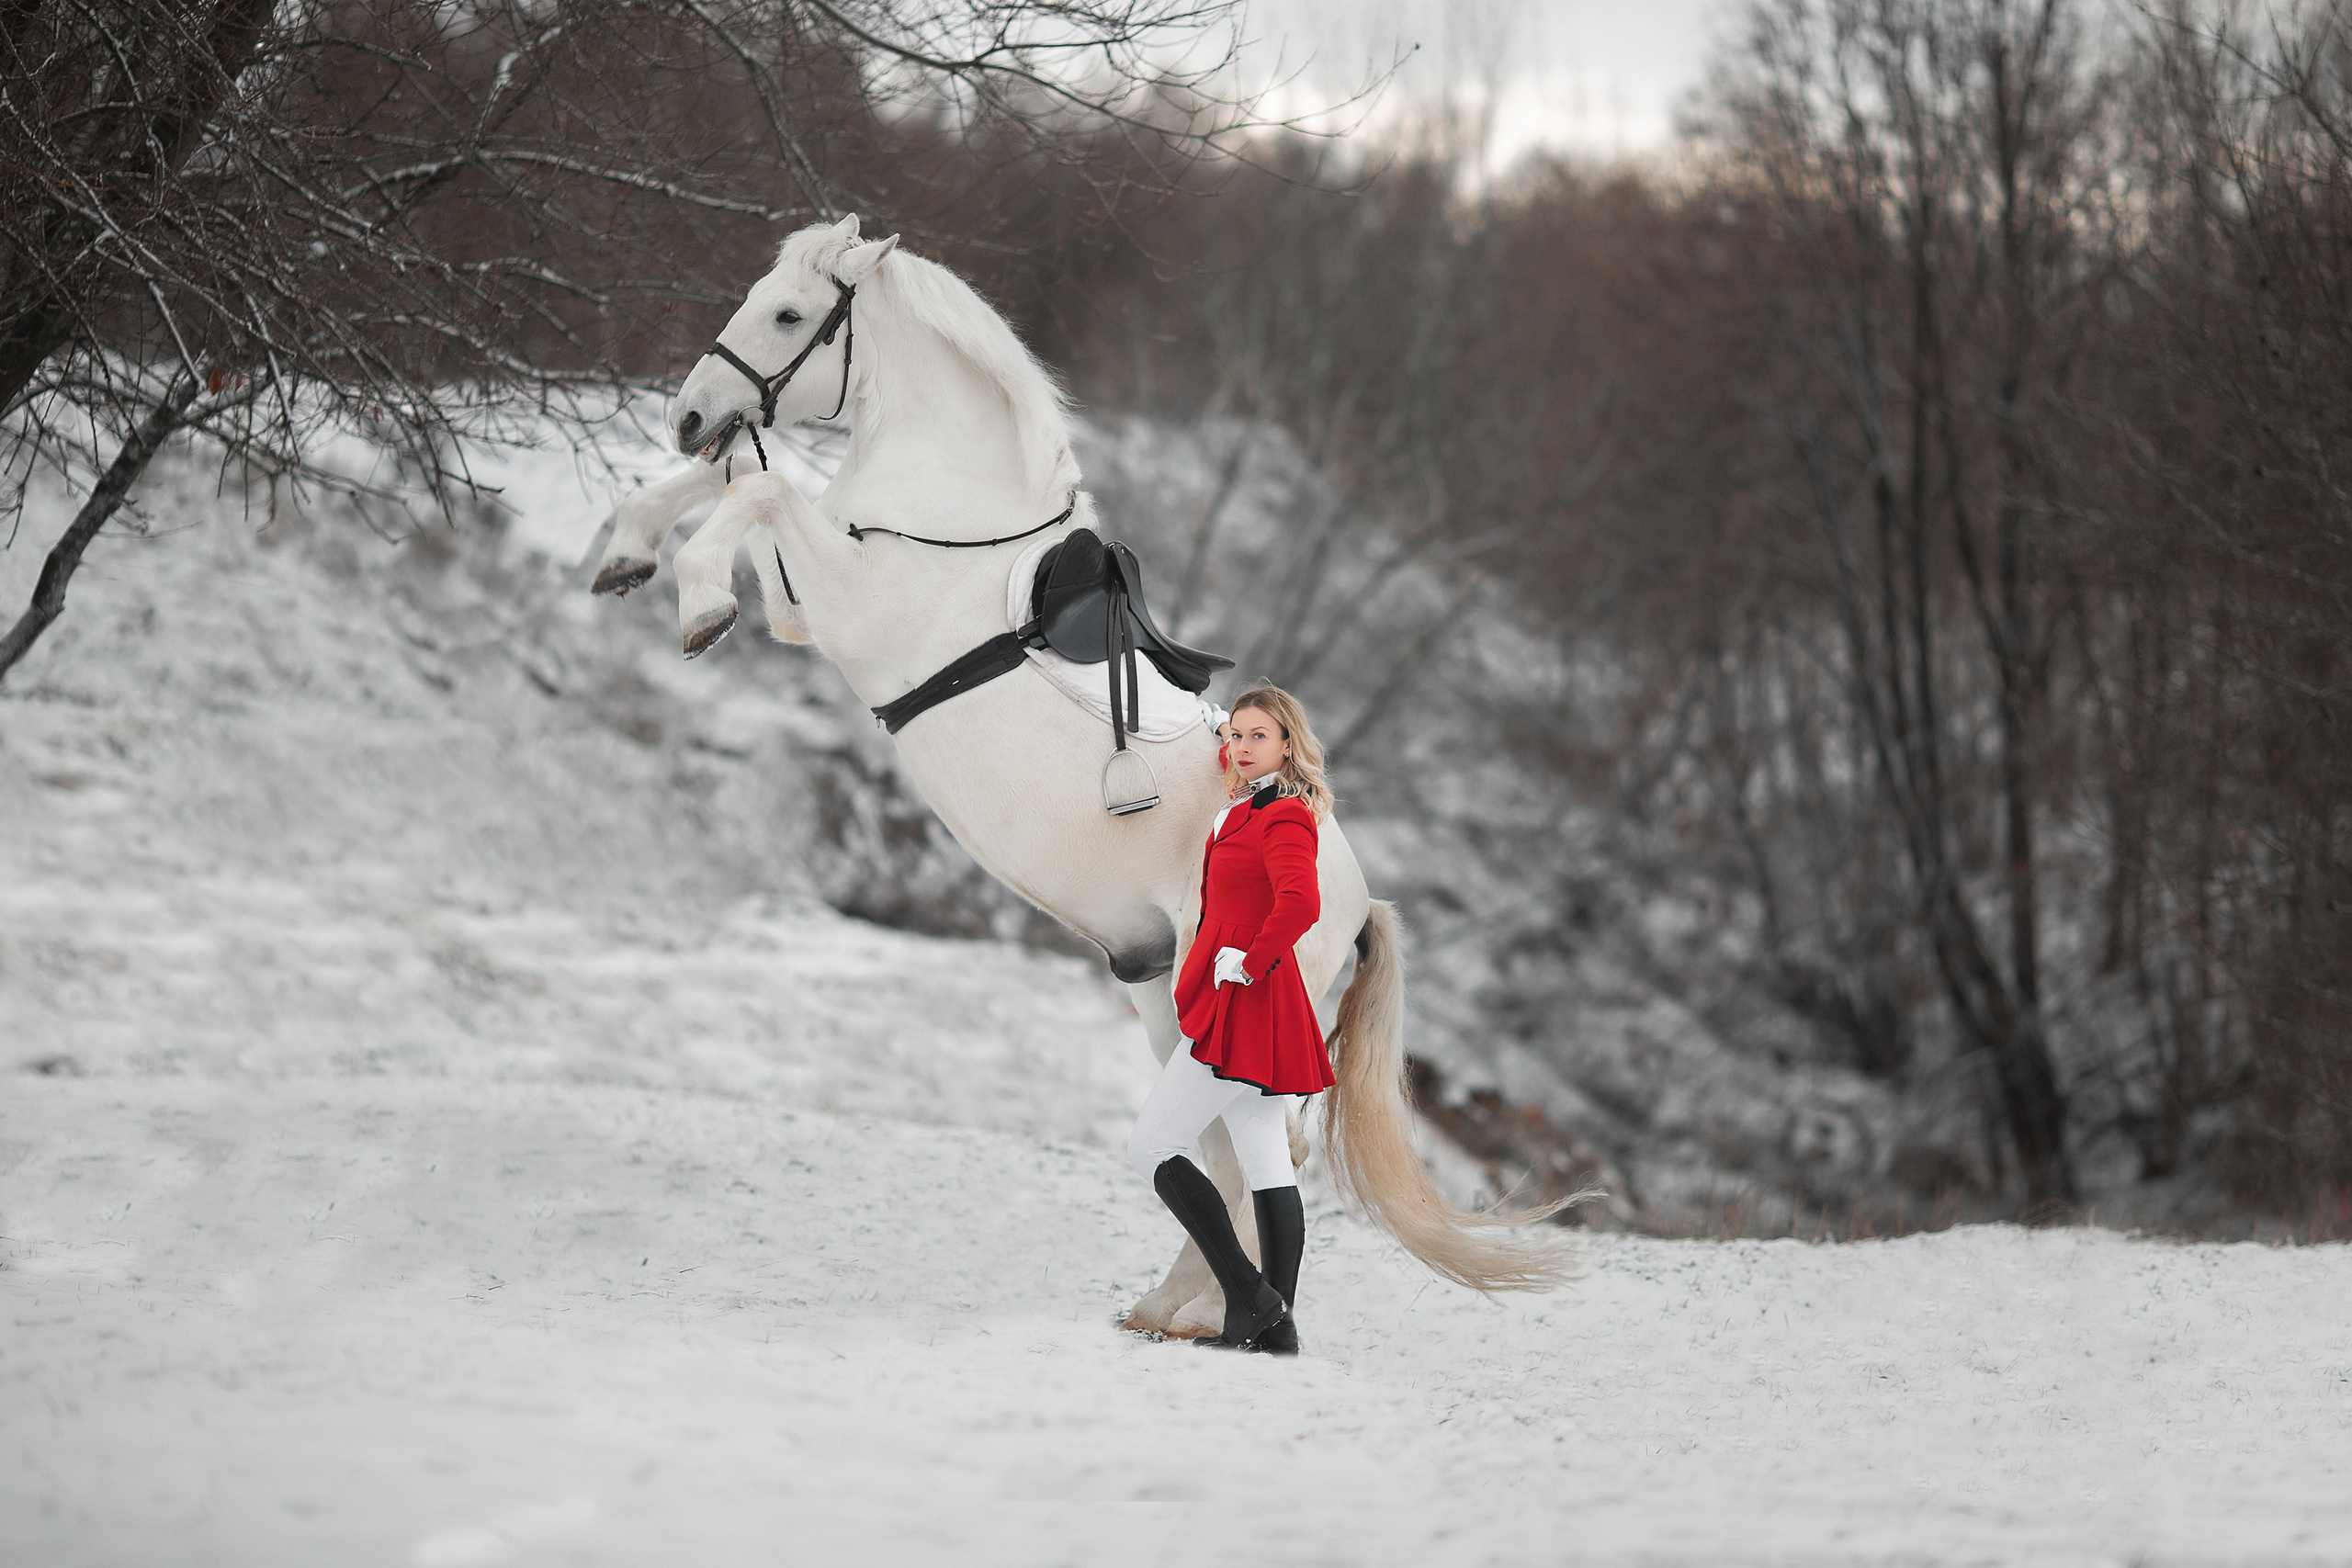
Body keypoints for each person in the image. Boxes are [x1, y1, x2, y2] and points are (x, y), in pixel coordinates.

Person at [1126, 683, 1337, 1356]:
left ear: (1287, 745)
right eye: (1236, 734)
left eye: (1259, 736)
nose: (1242, 747)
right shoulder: (1241, 811)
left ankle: (1248, 1295)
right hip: (1242, 1001)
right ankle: (1278, 1328)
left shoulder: (1285, 816)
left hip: (1245, 1004)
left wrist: (1248, 962)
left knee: (1152, 1147)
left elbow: (1300, 902)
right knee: (1267, 1161)